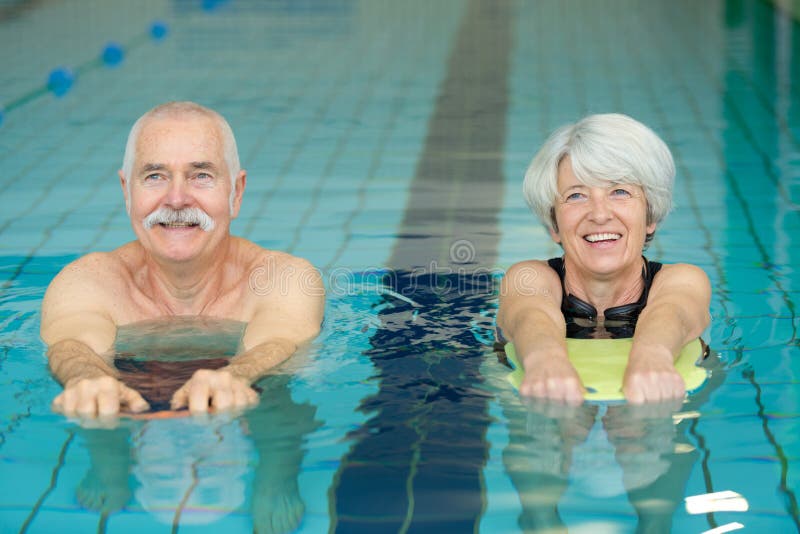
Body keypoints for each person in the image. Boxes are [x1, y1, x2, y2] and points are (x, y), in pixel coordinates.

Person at [40, 101, 324, 417]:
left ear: (237, 192)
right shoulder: (88, 282)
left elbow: (277, 343)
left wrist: (235, 377)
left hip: (252, 408)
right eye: (155, 176)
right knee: (99, 423)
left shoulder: (283, 278)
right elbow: (73, 346)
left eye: (201, 175)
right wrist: (87, 380)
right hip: (125, 412)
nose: (176, 199)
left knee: (278, 417)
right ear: (127, 192)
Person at [497, 113, 711, 405]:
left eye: (619, 192)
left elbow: (672, 312)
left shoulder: (681, 280)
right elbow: (531, 316)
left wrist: (653, 357)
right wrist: (545, 360)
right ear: (554, 224)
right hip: (540, 393)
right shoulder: (530, 278)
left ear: (650, 215)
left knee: (643, 429)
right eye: (576, 196)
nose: (599, 214)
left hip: (659, 396)